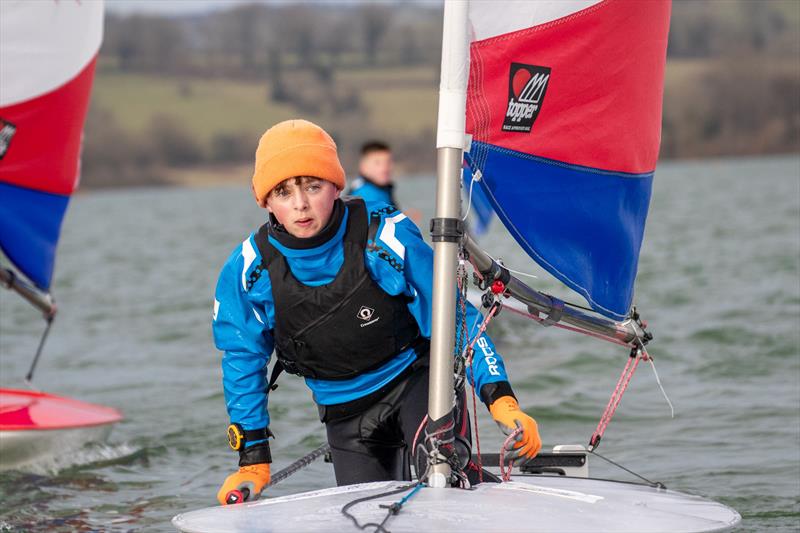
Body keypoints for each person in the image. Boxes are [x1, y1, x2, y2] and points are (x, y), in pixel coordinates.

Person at [212, 119, 541, 505]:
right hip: (344, 416)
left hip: (417, 385)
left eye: (313, 187)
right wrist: (253, 459)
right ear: (265, 201)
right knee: (364, 513)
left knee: (444, 483)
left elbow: (455, 318)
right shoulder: (249, 270)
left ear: (336, 187)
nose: (300, 204)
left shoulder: (383, 235)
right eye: (283, 192)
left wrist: (500, 398)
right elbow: (242, 361)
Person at [348, 140, 397, 206]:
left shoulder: (381, 190)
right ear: (363, 166)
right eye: (377, 163)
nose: (384, 168)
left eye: (388, 162)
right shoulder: (365, 194)